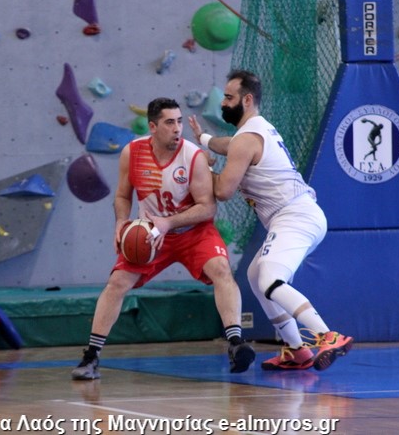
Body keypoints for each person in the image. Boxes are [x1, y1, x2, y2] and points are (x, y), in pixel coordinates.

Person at [71, 98, 255, 380]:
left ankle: (235, 343)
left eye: (179, 121)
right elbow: (122, 196)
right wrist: (121, 221)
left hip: (192, 231)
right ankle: (91, 356)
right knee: (117, 282)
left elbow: (207, 207)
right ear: (153, 127)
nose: (178, 128)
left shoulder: (193, 156)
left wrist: (169, 222)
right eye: (170, 122)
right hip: (151, 234)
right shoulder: (132, 153)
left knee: (221, 270)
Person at [188, 70, 353, 371]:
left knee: (270, 279)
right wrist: (204, 139)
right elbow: (229, 145)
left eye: (228, 97)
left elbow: (223, 191)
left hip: (295, 216)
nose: (223, 103)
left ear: (247, 100)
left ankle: (327, 336)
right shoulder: (256, 130)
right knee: (255, 277)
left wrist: (199, 168)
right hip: (297, 215)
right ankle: (297, 350)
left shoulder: (247, 138)